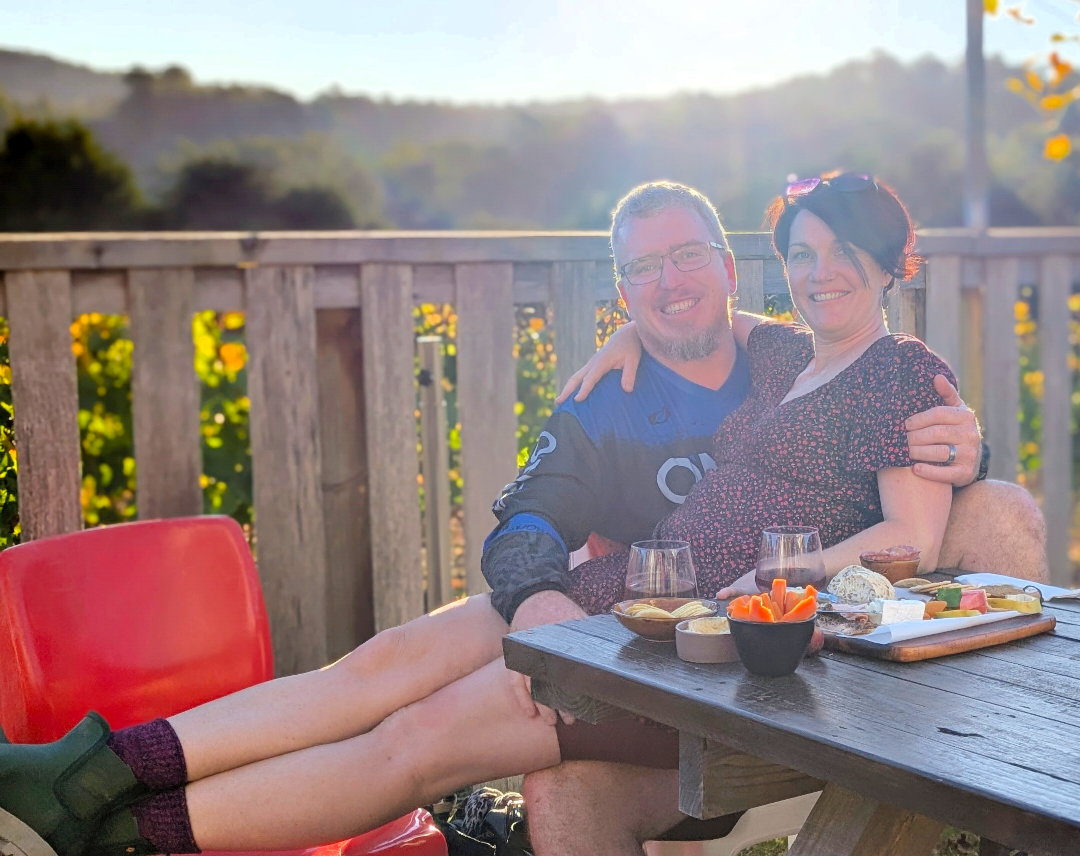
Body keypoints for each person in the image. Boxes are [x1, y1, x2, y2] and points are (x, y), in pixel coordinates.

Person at [0, 181, 1032, 856]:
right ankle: (93, 770)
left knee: (415, 740)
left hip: (694, 643)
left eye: (843, 253)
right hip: (628, 591)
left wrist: (787, 568)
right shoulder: (780, 355)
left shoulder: (898, 370)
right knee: (370, 668)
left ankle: (125, 836)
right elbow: (722, 342)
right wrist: (629, 338)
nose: (819, 272)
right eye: (802, 254)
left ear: (891, 262)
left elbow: (912, 530)